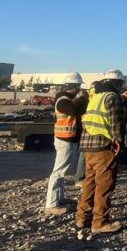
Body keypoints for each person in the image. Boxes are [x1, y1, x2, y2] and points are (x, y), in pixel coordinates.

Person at [76, 70, 125, 237]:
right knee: (104, 185)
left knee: (89, 182)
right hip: (104, 146)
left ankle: (82, 218)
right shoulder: (113, 97)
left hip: (88, 147)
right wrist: (119, 142)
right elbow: (117, 122)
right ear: (117, 84)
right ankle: (100, 222)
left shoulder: (96, 97)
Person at [45, 72, 86, 215]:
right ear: (74, 86)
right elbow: (74, 110)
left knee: (62, 171)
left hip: (69, 139)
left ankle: (59, 198)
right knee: (58, 171)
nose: (80, 89)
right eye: (79, 86)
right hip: (64, 140)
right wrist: (81, 99)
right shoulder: (62, 100)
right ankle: (51, 204)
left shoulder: (70, 99)